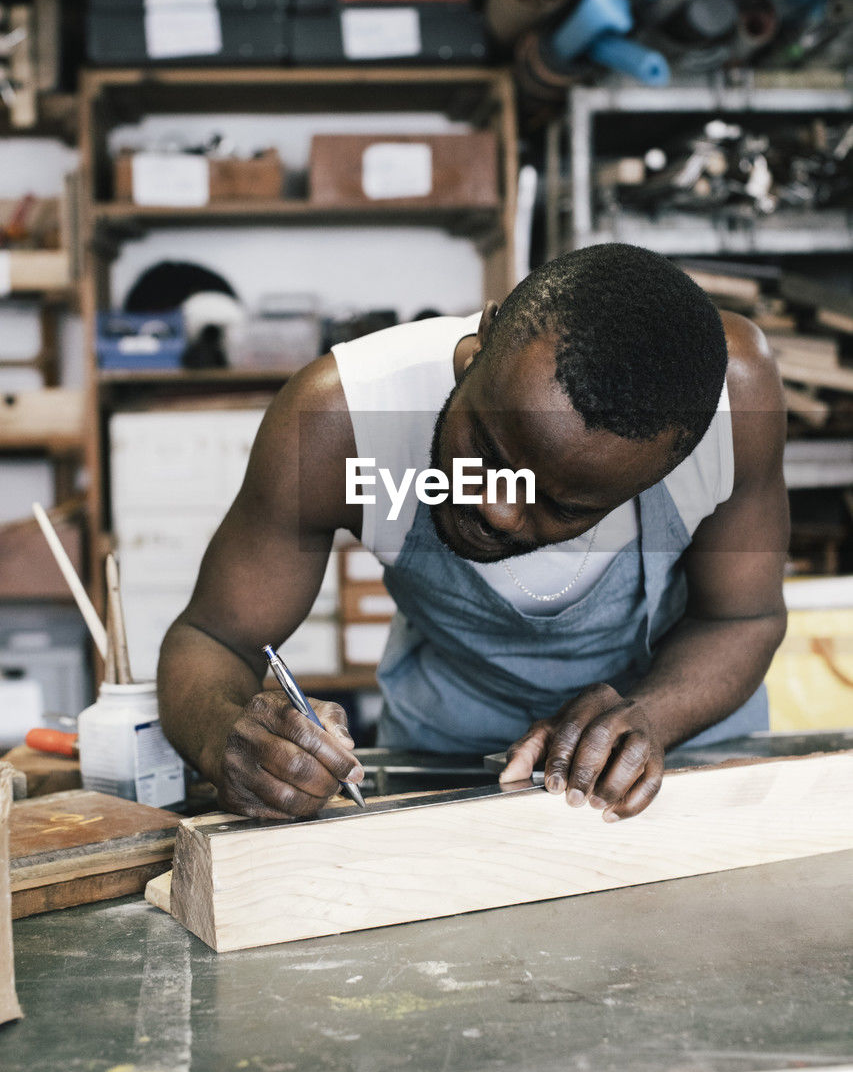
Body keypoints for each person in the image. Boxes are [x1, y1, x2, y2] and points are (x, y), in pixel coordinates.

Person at [157, 244, 788, 823]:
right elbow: (214, 636)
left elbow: (742, 619)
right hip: (445, 759)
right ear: (476, 349)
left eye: (561, 506)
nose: (497, 510)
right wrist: (226, 738)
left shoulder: (735, 409)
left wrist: (650, 717)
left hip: (673, 747)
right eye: (485, 450)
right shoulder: (343, 423)